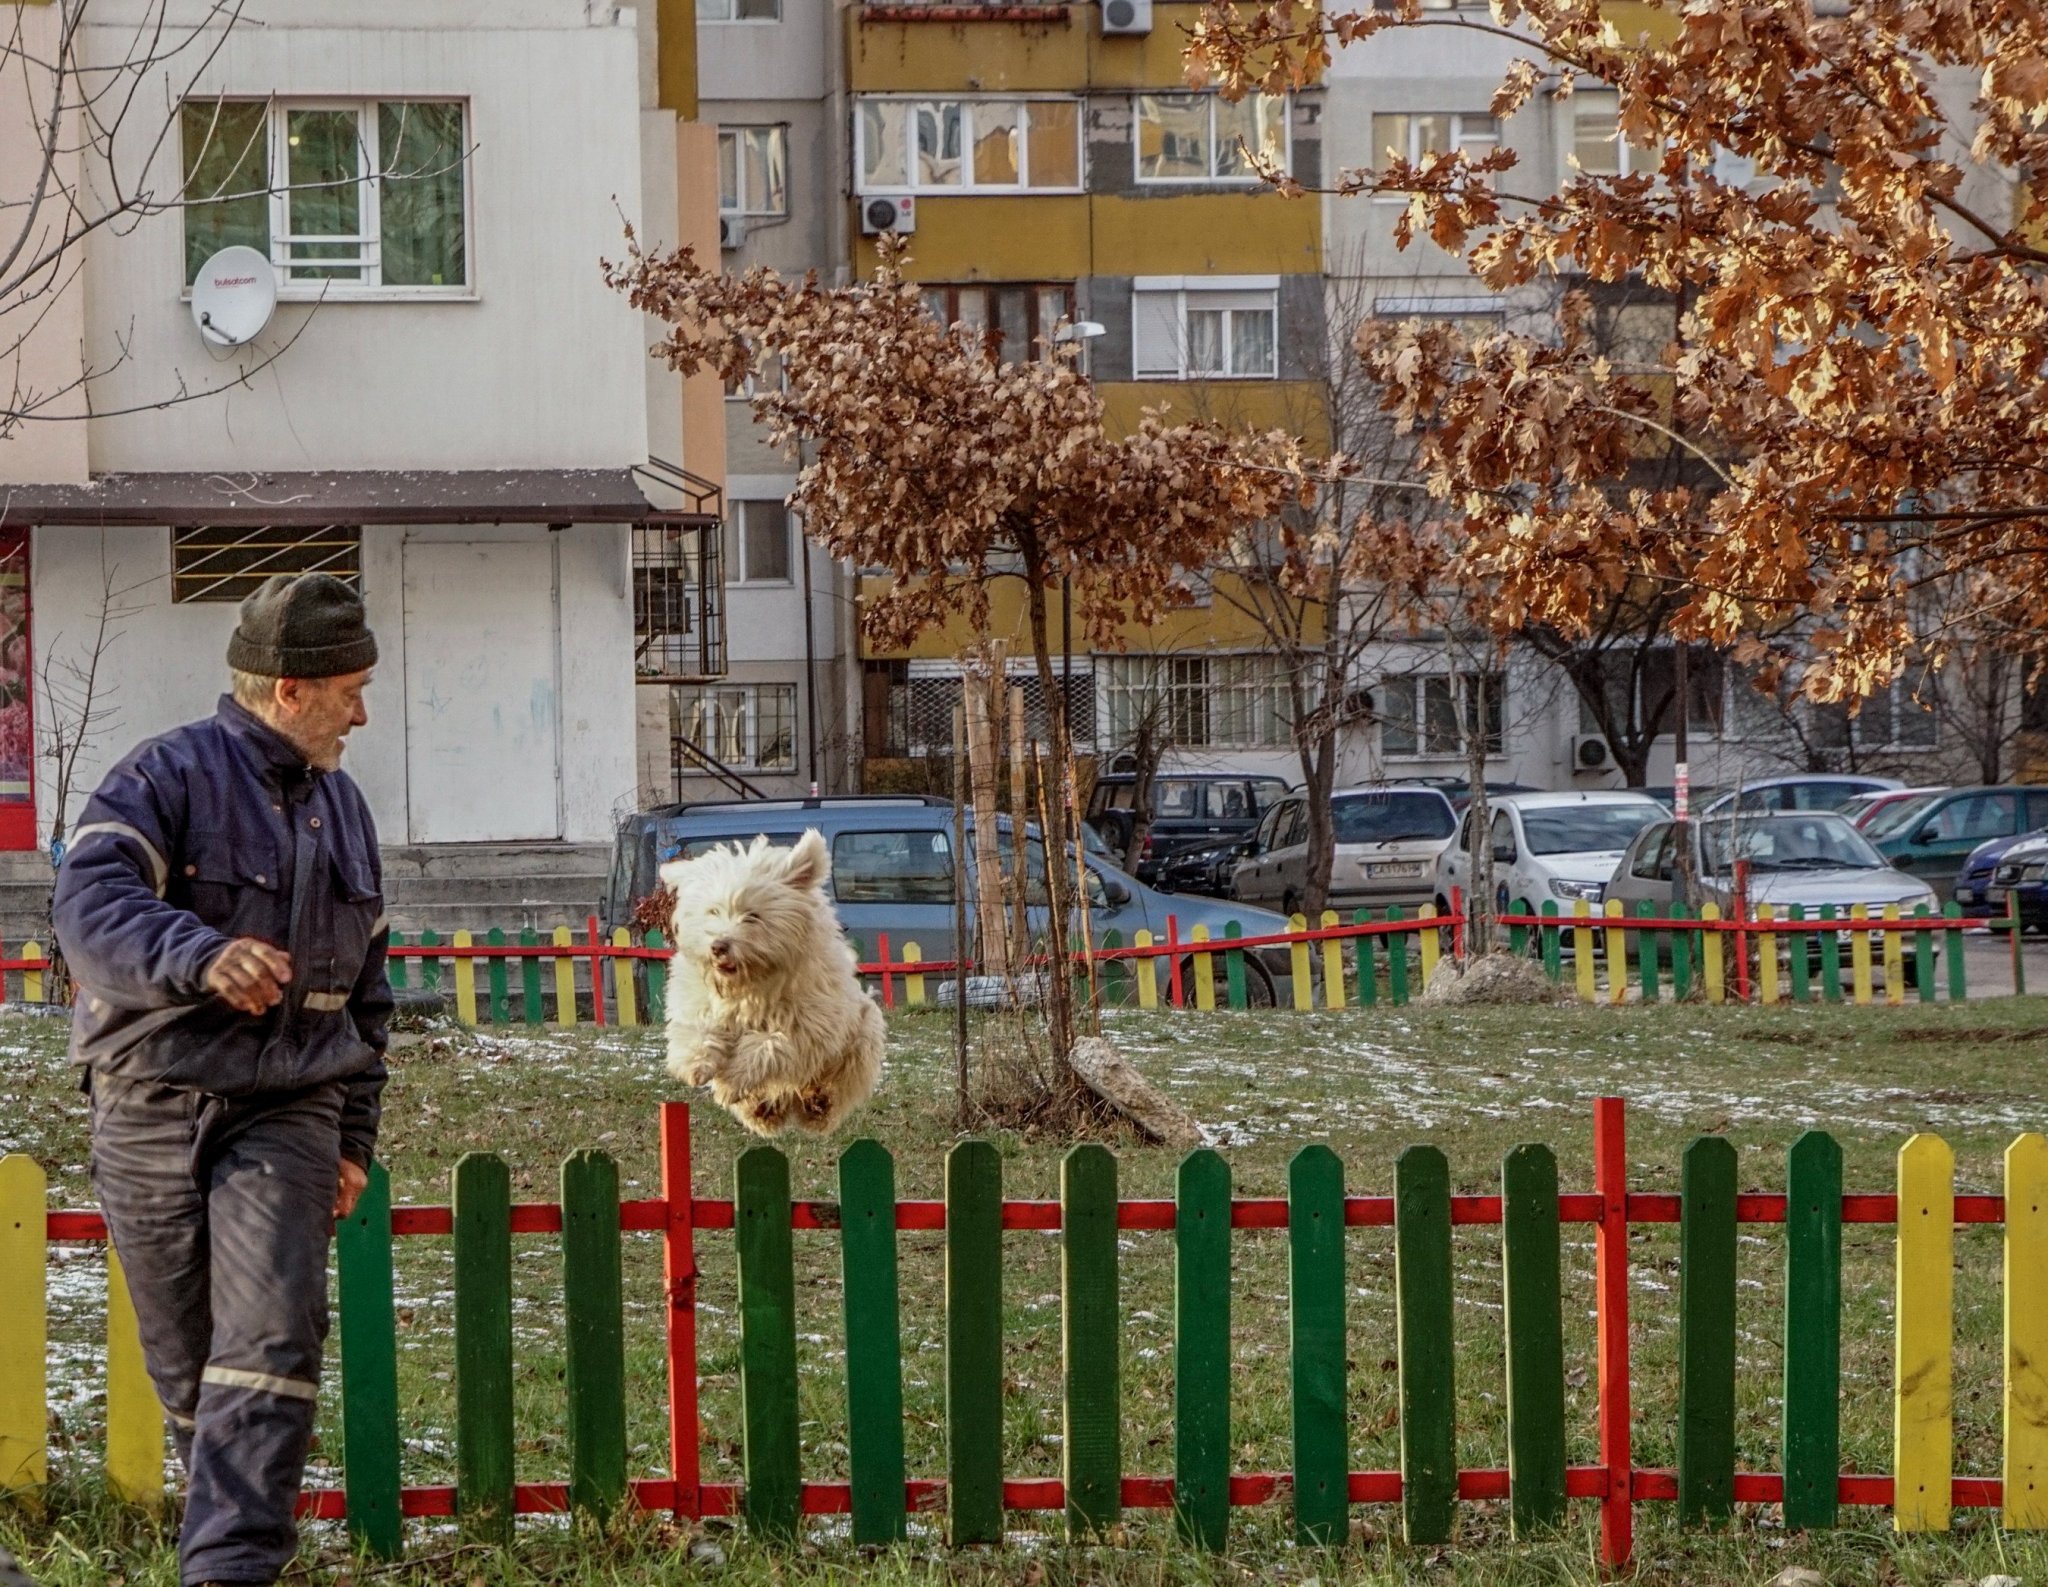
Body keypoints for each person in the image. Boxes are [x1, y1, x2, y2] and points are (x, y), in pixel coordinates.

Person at [52, 573, 392, 1587]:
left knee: (272, 1336)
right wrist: (199, 953)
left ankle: (230, 1571)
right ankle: (229, 1538)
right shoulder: (160, 778)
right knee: (193, 1365)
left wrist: (352, 1140)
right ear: (290, 689)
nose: (361, 713)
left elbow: (366, 1002)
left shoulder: (348, 813)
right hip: (149, 1096)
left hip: (289, 1107)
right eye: (350, 690)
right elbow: (91, 904)